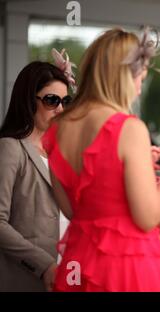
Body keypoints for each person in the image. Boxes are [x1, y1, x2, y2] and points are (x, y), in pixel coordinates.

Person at [42, 27, 160, 292]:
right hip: (126, 268)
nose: (140, 89)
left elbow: (74, 211)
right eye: (141, 77)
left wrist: (136, 159)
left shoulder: (56, 129)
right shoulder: (129, 128)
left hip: (81, 266)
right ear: (123, 77)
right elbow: (148, 217)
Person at [0, 60, 71, 291]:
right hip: (28, 278)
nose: (60, 109)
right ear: (29, 100)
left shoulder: (60, 151)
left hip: (68, 273)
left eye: (65, 101)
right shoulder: (10, 148)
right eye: (52, 100)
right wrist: (44, 265)